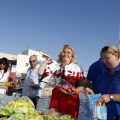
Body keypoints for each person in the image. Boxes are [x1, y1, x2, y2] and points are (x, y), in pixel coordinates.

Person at [38, 45, 85, 119]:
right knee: (54, 117)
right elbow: (40, 73)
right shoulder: (55, 66)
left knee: (70, 118)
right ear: (61, 55)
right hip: (56, 97)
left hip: (71, 98)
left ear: (72, 56)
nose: (66, 54)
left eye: (68, 53)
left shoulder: (77, 68)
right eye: (64, 52)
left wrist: (74, 91)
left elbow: (81, 85)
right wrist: (45, 62)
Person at [95, 46, 120, 120]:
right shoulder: (102, 76)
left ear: (116, 55)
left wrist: (110, 97)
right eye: (103, 59)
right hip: (103, 117)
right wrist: (91, 93)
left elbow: (108, 97)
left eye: (106, 58)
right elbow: (97, 93)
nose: (104, 61)